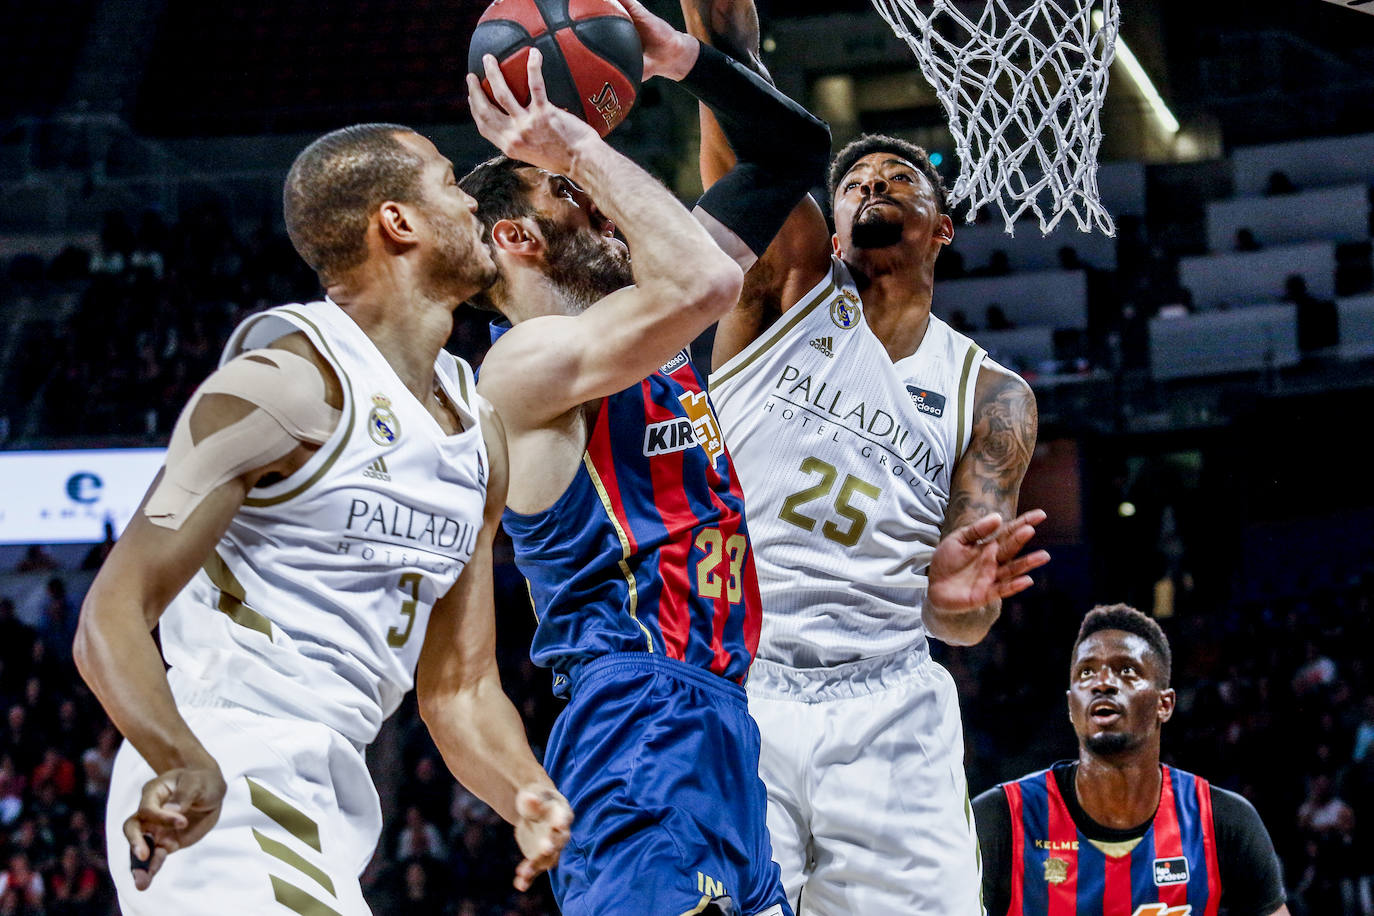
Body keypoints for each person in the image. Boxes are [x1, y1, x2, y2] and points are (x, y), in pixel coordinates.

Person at [73, 122, 571, 915]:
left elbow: (460, 687)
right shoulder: (281, 384)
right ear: (396, 221)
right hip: (226, 769)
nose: (473, 203)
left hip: (333, 789)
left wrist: (527, 793)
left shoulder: (478, 434)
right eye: (449, 181)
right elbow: (112, 612)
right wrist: (182, 758)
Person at [458, 2, 835, 912]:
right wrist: (573, 146)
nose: (596, 197)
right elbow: (708, 282)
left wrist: (686, 60)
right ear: (515, 236)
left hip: (720, 717)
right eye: (564, 194)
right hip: (635, 717)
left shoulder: (637, 322)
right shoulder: (526, 366)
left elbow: (793, 155)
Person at [678, 1, 1047, 912]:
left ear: (942, 226)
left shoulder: (991, 395)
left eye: (899, 178)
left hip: (888, 708)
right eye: (854, 183)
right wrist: (708, 30)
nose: (873, 185)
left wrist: (954, 603)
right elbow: (746, 123)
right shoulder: (780, 293)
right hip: (742, 690)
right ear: (827, 229)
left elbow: (962, 618)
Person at [974, 604, 1290, 915]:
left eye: (1126, 670)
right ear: (1071, 708)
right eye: (1086, 672)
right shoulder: (1001, 819)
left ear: (1164, 704)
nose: (1102, 683)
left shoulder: (1223, 822)